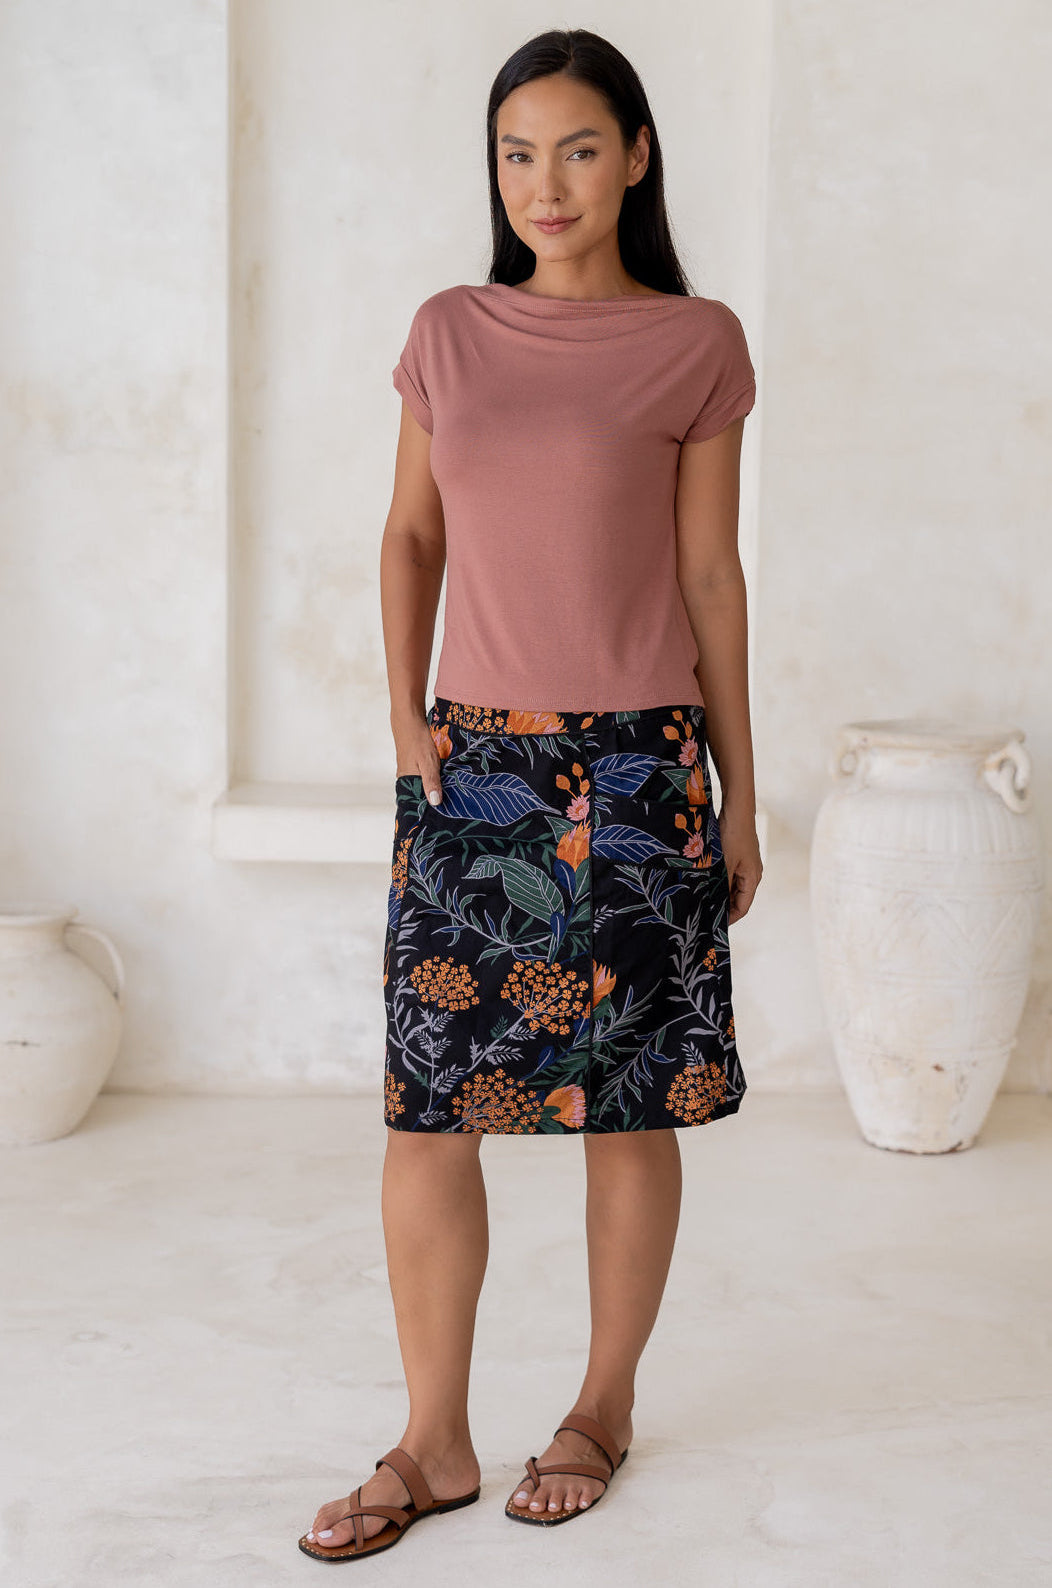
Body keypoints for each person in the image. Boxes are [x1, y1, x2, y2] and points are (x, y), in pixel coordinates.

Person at [300, 26, 762, 1564]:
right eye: (516, 154)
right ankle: (433, 1440)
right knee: (432, 1113)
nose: (544, 182)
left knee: (630, 1109)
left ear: (635, 154)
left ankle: (601, 1408)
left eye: (576, 147)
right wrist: (403, 720)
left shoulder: (696, 341)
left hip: (639, 768)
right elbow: (408, 537)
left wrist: (737, 798)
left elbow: (709, 573)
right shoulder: (449, 330)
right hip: (474, 765)